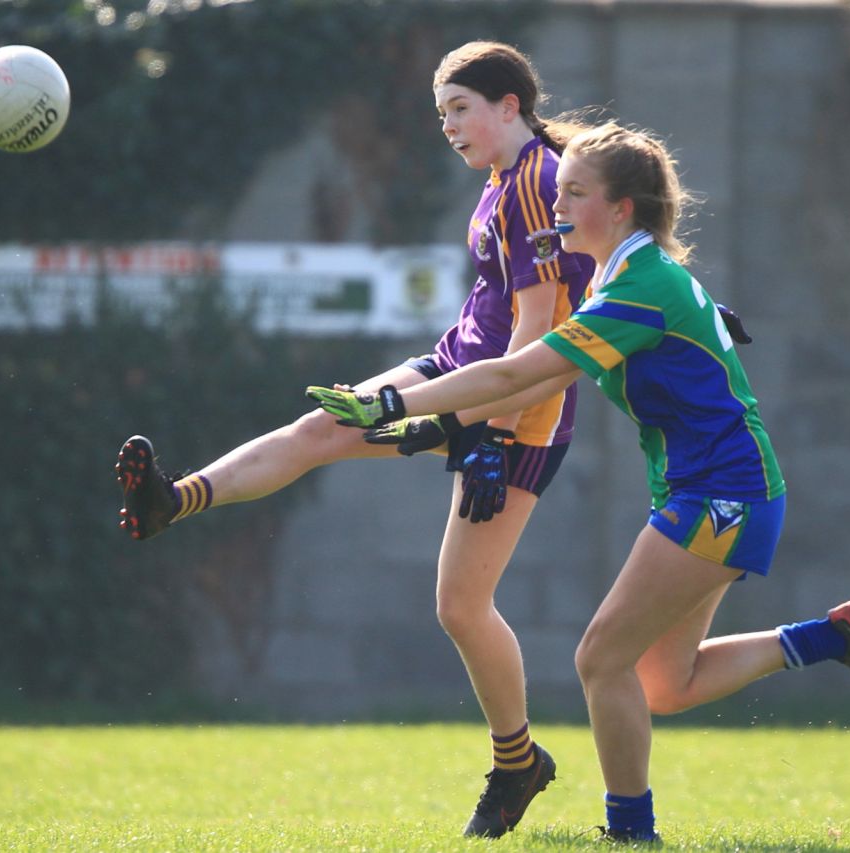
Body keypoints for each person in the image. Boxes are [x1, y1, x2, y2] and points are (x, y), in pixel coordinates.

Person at [307, 121, 850, 844]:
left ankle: (630, 834)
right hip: (719, 491)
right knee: (662, 684)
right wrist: (428, 428)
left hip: (722, 494)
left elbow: (521, 372)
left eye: (575, 193)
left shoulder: (638, 286)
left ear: (621, 209)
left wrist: (393, 400)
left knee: (599, 659)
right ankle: (832, 638)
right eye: (558, 191)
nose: (557, 207)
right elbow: (531, 375)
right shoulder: (624, 275)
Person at [116, 41, 593, 838]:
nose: (447, 125)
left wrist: (490, 435)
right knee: (317, 429)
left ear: (509, 104)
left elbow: (542, 337)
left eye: (460, 108)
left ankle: (520, 762)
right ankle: (175, 498)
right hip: (454, 375)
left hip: (515, 412)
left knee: (462, 606)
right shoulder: (501, 182)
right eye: (440, 112)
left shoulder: (540, 180)